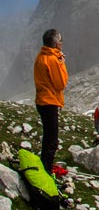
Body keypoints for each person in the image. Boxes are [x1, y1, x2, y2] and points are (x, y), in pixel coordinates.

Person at [33, 29, 68, 174]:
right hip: (50, 101)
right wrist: (62, 64)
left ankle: (45, 165)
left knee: (48, 137)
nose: (61, 43)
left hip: (42, 100)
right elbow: (61, 84)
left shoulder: (41, 56)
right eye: (60, 40)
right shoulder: (53, 59)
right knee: (52, 140)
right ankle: (46, 170)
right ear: (55, 43)